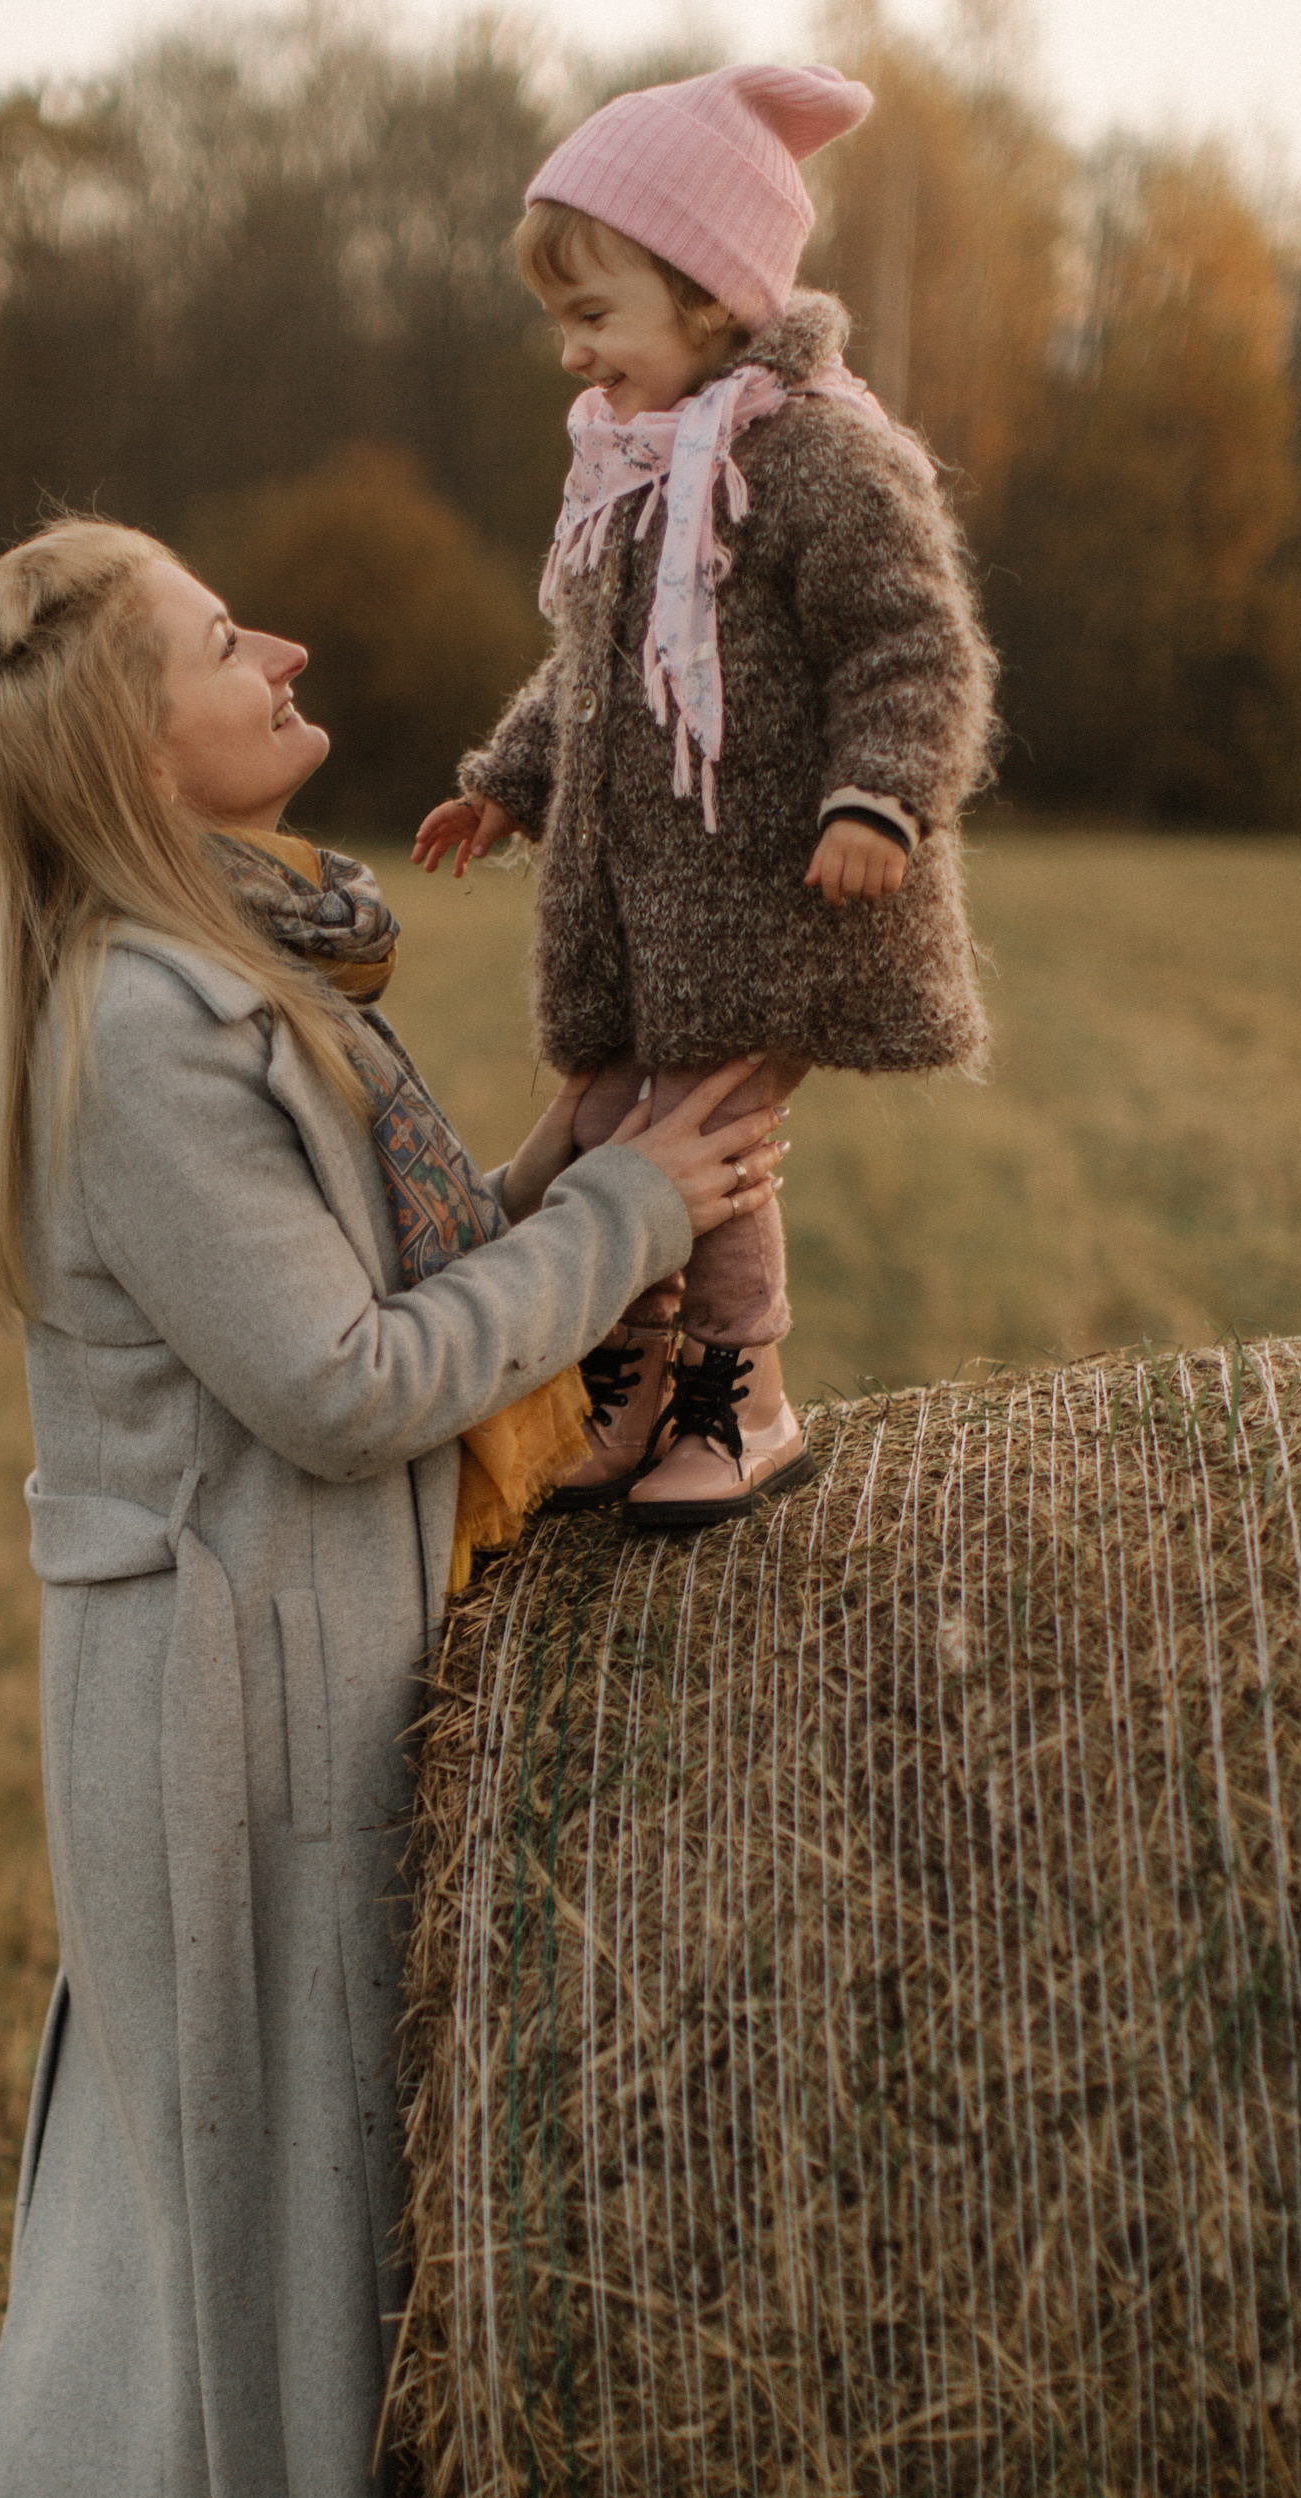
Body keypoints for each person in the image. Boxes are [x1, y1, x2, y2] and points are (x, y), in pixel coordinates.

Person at [0, 512, 789, 2498]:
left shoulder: (245, 961)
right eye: (224, 640)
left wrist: (589, 1165)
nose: (281, 646)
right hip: (225, 1680)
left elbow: (394, 1271)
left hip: (306, 1645)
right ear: (133, 733)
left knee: (209, 2167)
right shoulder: (137, 1025)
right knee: (182, 2173)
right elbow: (333, 1376)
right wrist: (625, 1220)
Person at [416, 62, 997, 1530]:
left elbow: (912, 643)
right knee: (618, 1132)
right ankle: (629, 1385)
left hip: (784, 905)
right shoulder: (639, 471)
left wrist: (880, 796)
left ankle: (744, 1400)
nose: (570, 352)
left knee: (706, 1148)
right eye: (561, 319)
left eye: (592, 314)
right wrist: (506, 779)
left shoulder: (816, 455)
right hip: (654, 928)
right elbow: (601, 674)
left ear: (713, 293)